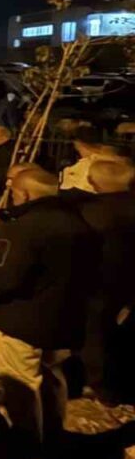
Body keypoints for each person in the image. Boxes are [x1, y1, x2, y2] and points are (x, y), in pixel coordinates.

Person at [0, 166, 99, 453]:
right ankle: (53, 428)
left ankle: (26, 439)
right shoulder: (80, 224)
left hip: (22, 318)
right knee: (52, 374)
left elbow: (5, 276)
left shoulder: (23, 226)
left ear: (24, 194)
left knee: (21, 379)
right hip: (63, 318)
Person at [77, 158, 135, 403]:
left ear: (93, 182)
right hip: (129, 283)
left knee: (96, 334)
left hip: (101, 284)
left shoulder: (89, 212)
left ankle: (102, 387)